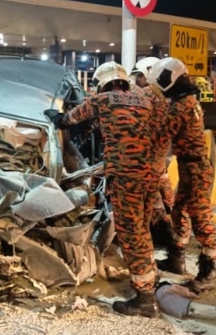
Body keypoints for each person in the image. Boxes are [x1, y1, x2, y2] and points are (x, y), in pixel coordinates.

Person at [45, 61, 167, 318]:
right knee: (142, 230)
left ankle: (145, 300)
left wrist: (56, 117)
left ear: (102, 83)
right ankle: (149, 280)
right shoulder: (146, 101)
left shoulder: (101, 100)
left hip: (126, 177)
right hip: (149, 176)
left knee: (131, 235)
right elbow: (160, 132)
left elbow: (69, 119)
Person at [146, 57, 216, 290]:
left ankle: (210, 270)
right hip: (190, 166)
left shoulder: (180, 107)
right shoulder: (188, 100)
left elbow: (159, 137)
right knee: (180, 211)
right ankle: (176, 259)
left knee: (201, 218)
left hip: (195, 168)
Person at [130, 57, 183, 273]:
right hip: (161, 163)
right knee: (164, 206)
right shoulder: (170, 99)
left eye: (140, 76)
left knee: (143, 212)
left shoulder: (145, 95)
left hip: (145, 165)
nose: (138, 80)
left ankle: (146, 265)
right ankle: (175, 252)